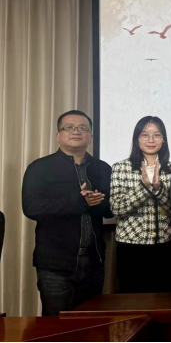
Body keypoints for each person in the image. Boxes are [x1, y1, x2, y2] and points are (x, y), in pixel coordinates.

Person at [22, 111, 112, 316]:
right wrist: (77, 202)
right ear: (58, 135)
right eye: (69, 127)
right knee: (56, 325)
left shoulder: (103, 169)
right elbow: (31, 207)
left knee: (90, 324)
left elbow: (110, 210)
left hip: (94, 262)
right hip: (55, 264)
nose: (76, 132)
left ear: (90, 136)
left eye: (82, 128)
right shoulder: (40, 167)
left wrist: (93, 202)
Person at [110, 116, 171, 294]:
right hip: (131, 248)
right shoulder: (120, 168)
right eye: (144, 135)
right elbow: (117, 209)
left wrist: (158, 189)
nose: (151, 140)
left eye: (157, 135)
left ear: (163, 140)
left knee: (165, 300)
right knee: (132, 301)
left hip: (166, 246)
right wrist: (144, 187)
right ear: (136, 138)